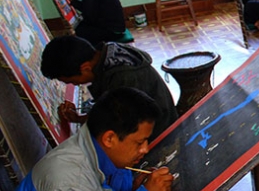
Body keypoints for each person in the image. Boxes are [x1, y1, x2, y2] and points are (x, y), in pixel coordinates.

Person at [0, 87, 176, 191]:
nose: (145, 149)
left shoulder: (101, 152)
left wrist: (135, 189)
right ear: (109, 139)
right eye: (139, 143)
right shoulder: (68, 182)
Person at [41, 35, 178, 140]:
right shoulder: (108, 52)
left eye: (71, 81)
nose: (74, 85)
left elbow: (121, 123)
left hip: (160, 132)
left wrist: (85, 120)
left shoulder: (122, 78)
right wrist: (80, 118)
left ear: (85, 68)